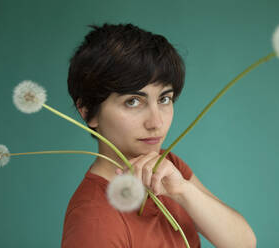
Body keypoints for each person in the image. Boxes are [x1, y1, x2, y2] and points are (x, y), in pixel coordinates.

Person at [61, 23, 257, 248]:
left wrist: (183, 191)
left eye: (164, 99)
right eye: (133, 101)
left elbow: (244, 243)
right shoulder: (93, 221)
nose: (156, 123)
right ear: (87, 111)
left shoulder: (168, 166)